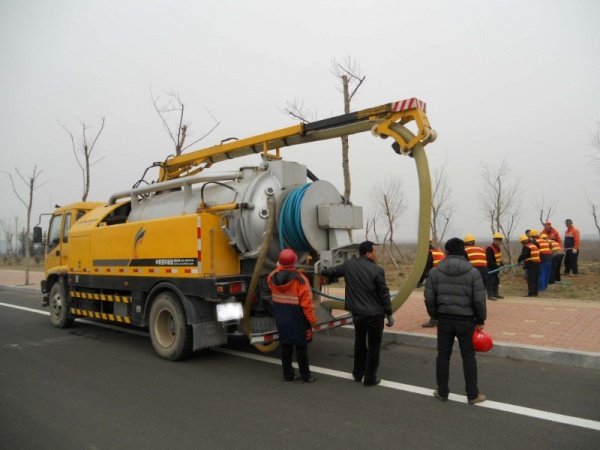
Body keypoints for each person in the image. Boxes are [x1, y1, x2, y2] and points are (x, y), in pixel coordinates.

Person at [321, 241, 394, 387]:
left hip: (358, 314)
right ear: (368, 253)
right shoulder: (377, 270)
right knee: (374, 346)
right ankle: (370, 378)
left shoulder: (349, 265)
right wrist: (389, 313)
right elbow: (384, 293)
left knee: (359, 342)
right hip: (374, 315)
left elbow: (332, 272)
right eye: (375, 251)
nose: (376, 254)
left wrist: (322, 270)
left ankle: (358, 373)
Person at [424, 238, 487, 405]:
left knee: (443, 356)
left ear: (447, 252)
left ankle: (442, 391)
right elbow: (479, 300)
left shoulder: (434, 272)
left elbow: (429, 298)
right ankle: (472, 395)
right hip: (466, 321)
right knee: (468, 357)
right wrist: (480, 320)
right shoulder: (473, 273)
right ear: (464, 252)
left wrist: (435, 315)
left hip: (444, 319)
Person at [268, 249, 318, 383]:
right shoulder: (300, 280)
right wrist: (312, 320)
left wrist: (281, 266)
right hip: (298, 319)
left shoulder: (272, 277)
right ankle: (305, 376)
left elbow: (275, 273)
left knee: (285, 347)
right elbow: (307, 304)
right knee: (301, 348)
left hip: (281, 318)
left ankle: (288, 376)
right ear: (295, 262)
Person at [419, 240, 445, 328]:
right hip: (443, 279)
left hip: (433, 280)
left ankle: (433, 319)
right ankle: (441, 319)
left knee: (429, 300)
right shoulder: (439, 252)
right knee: (440, 299)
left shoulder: (429, 253)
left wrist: (419, 281)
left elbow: (425, 269)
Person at [464, 234, 489, 298]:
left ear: (465, 243)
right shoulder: (481, 249)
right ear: (474, 242)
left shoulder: (464, 250)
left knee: (472, 288)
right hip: (484, 270)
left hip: (473, 270)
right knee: (482, 288)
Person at [485, 232, 505, 300]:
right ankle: (490, 295)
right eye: (497, 240)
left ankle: (496, 294)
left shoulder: (498, 248)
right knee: (490, 281)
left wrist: (501, 264)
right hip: (490, 268)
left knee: (496, 280)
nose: (499, 241)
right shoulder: (489, 248)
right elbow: (489, 260)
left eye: (500, 240)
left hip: (495, 268)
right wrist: (497, 266)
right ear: (494, 240)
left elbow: (497, 258)